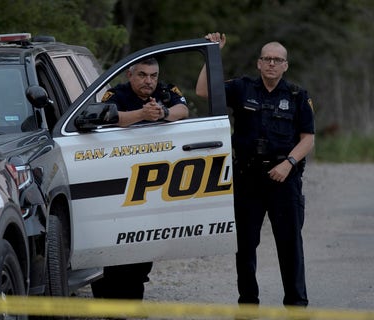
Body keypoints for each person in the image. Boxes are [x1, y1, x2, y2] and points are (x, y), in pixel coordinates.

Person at [196, 32, 315, 307]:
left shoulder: (297, 96)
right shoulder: (242, 88)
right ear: (259, 63)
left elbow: (307, 138)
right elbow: (203, 91)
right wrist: (211, 52)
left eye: (278, 60)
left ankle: (296, 304)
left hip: (283, 179)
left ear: (286, 65)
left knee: (290, 246)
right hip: (248, 178)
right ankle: (248, 302)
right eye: (267, 59)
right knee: (245, 247)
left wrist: (289, 164)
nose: (272, 63)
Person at [90, 58, 188, 300]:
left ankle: (132, 292)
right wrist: (142, 114)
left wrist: (163, 112)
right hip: (120, 175)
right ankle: (111, 295)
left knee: (146, 238)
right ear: (130, 76)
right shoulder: (117, 94)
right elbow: (108, 117)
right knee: (119, 237)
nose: (149, 81)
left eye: (153, 75)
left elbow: (183, 110)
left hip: (153, 179)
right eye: (143, 75)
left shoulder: (166, 91)